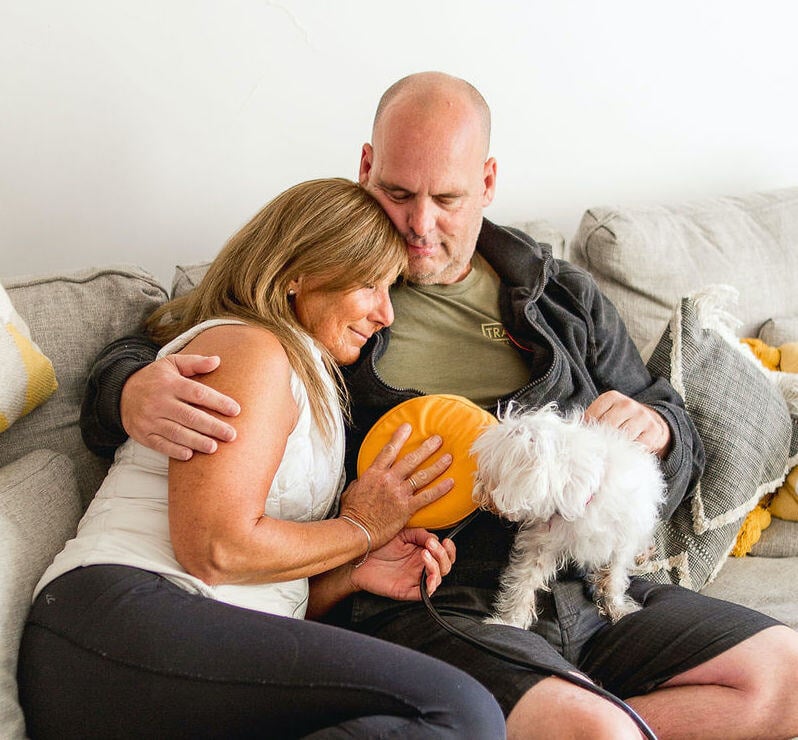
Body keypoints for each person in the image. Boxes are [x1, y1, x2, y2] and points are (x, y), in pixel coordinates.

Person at [78, 74, 798, 739]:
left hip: (577, 575)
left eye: (447, 199)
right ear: (365, 168)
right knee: (594, 729)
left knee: (786, 682)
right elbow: (200, 324)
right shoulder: (329, 279)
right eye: (397, 192)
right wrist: (129, 388)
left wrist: (662, 431)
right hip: (432, 591)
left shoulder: (558, 294)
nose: (420, 224)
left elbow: (668, 428)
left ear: (487, 183)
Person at [17, 177, 507, 740]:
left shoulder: (309, 376)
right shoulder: (248, 347)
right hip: (118, 621)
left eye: (390, 287)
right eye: (371, 284)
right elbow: (215, 549)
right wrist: (362, 528)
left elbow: (254, 587)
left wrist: (349, 573)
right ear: (298, 272)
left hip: (172, 638)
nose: (385, 314)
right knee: (456, 707)